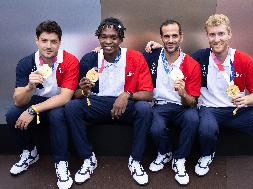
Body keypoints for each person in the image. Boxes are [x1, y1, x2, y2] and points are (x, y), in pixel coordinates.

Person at [191, 14, 253, 189]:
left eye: (221, 34)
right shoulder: (201, 57)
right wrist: (159, 48)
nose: (216, 39)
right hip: (210, 109)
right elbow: (177, 60)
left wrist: (247, 99)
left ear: (229, 34)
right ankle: (207, 154)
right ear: (207, 36)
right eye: (212, 34)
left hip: (237, 110)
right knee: (206, 129)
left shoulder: (243, 59)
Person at [64, 17, 153, 186]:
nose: (108, 41)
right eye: (104, 36)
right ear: (99, 37)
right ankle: (88, 159)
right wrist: (83, 90)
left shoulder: (135, 57)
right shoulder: (89, 59)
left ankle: (135, 160)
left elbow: (148, 94)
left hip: (125, 105)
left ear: (120, 39)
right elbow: (76, 94)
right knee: (72, 107)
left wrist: (126, 94)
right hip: (97, 104)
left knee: (145, 109)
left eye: (113, 37)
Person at [5, 20, 79, 189]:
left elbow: (66, 97)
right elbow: (18, 100)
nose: (48, 46)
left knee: (57, 115)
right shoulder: (26, 63)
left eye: (53, 41)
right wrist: (29, 87)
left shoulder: (70, 61)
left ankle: (61, 162)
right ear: (36, 41)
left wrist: (32, 110)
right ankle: (30, 152)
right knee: (11, 114)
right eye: (44, 40)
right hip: (36, 99)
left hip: (58, 102)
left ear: (60, 42)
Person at [143, 19, 201, 185]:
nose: (170, 40)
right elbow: (127, 58)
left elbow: (192, 102)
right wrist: (100, 51)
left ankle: (180, 158)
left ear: (181, 37)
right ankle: (165, 153)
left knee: (193, 119)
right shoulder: (152, 57)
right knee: (155, 128)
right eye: (166, 36)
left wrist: (183, 93)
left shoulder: (192, 64)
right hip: (159, 106)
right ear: (161, 37)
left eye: (174, 36)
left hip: (183, 107)